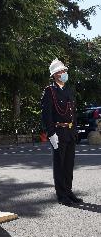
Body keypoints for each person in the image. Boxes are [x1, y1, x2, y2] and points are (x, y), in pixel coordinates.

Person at [41, 58, 82, 206]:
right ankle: (61, 195)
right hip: (58, 132)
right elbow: (47, 115)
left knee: (69, 164)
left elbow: (73, 112)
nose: (65, 73)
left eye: (65, 71)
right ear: (55, 74)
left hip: (70, 132)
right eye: (62, 71)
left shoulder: (69, 90)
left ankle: (69, 191)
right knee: (59, 165)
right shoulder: (50, 91)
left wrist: (75, 130)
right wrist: (51, 134)